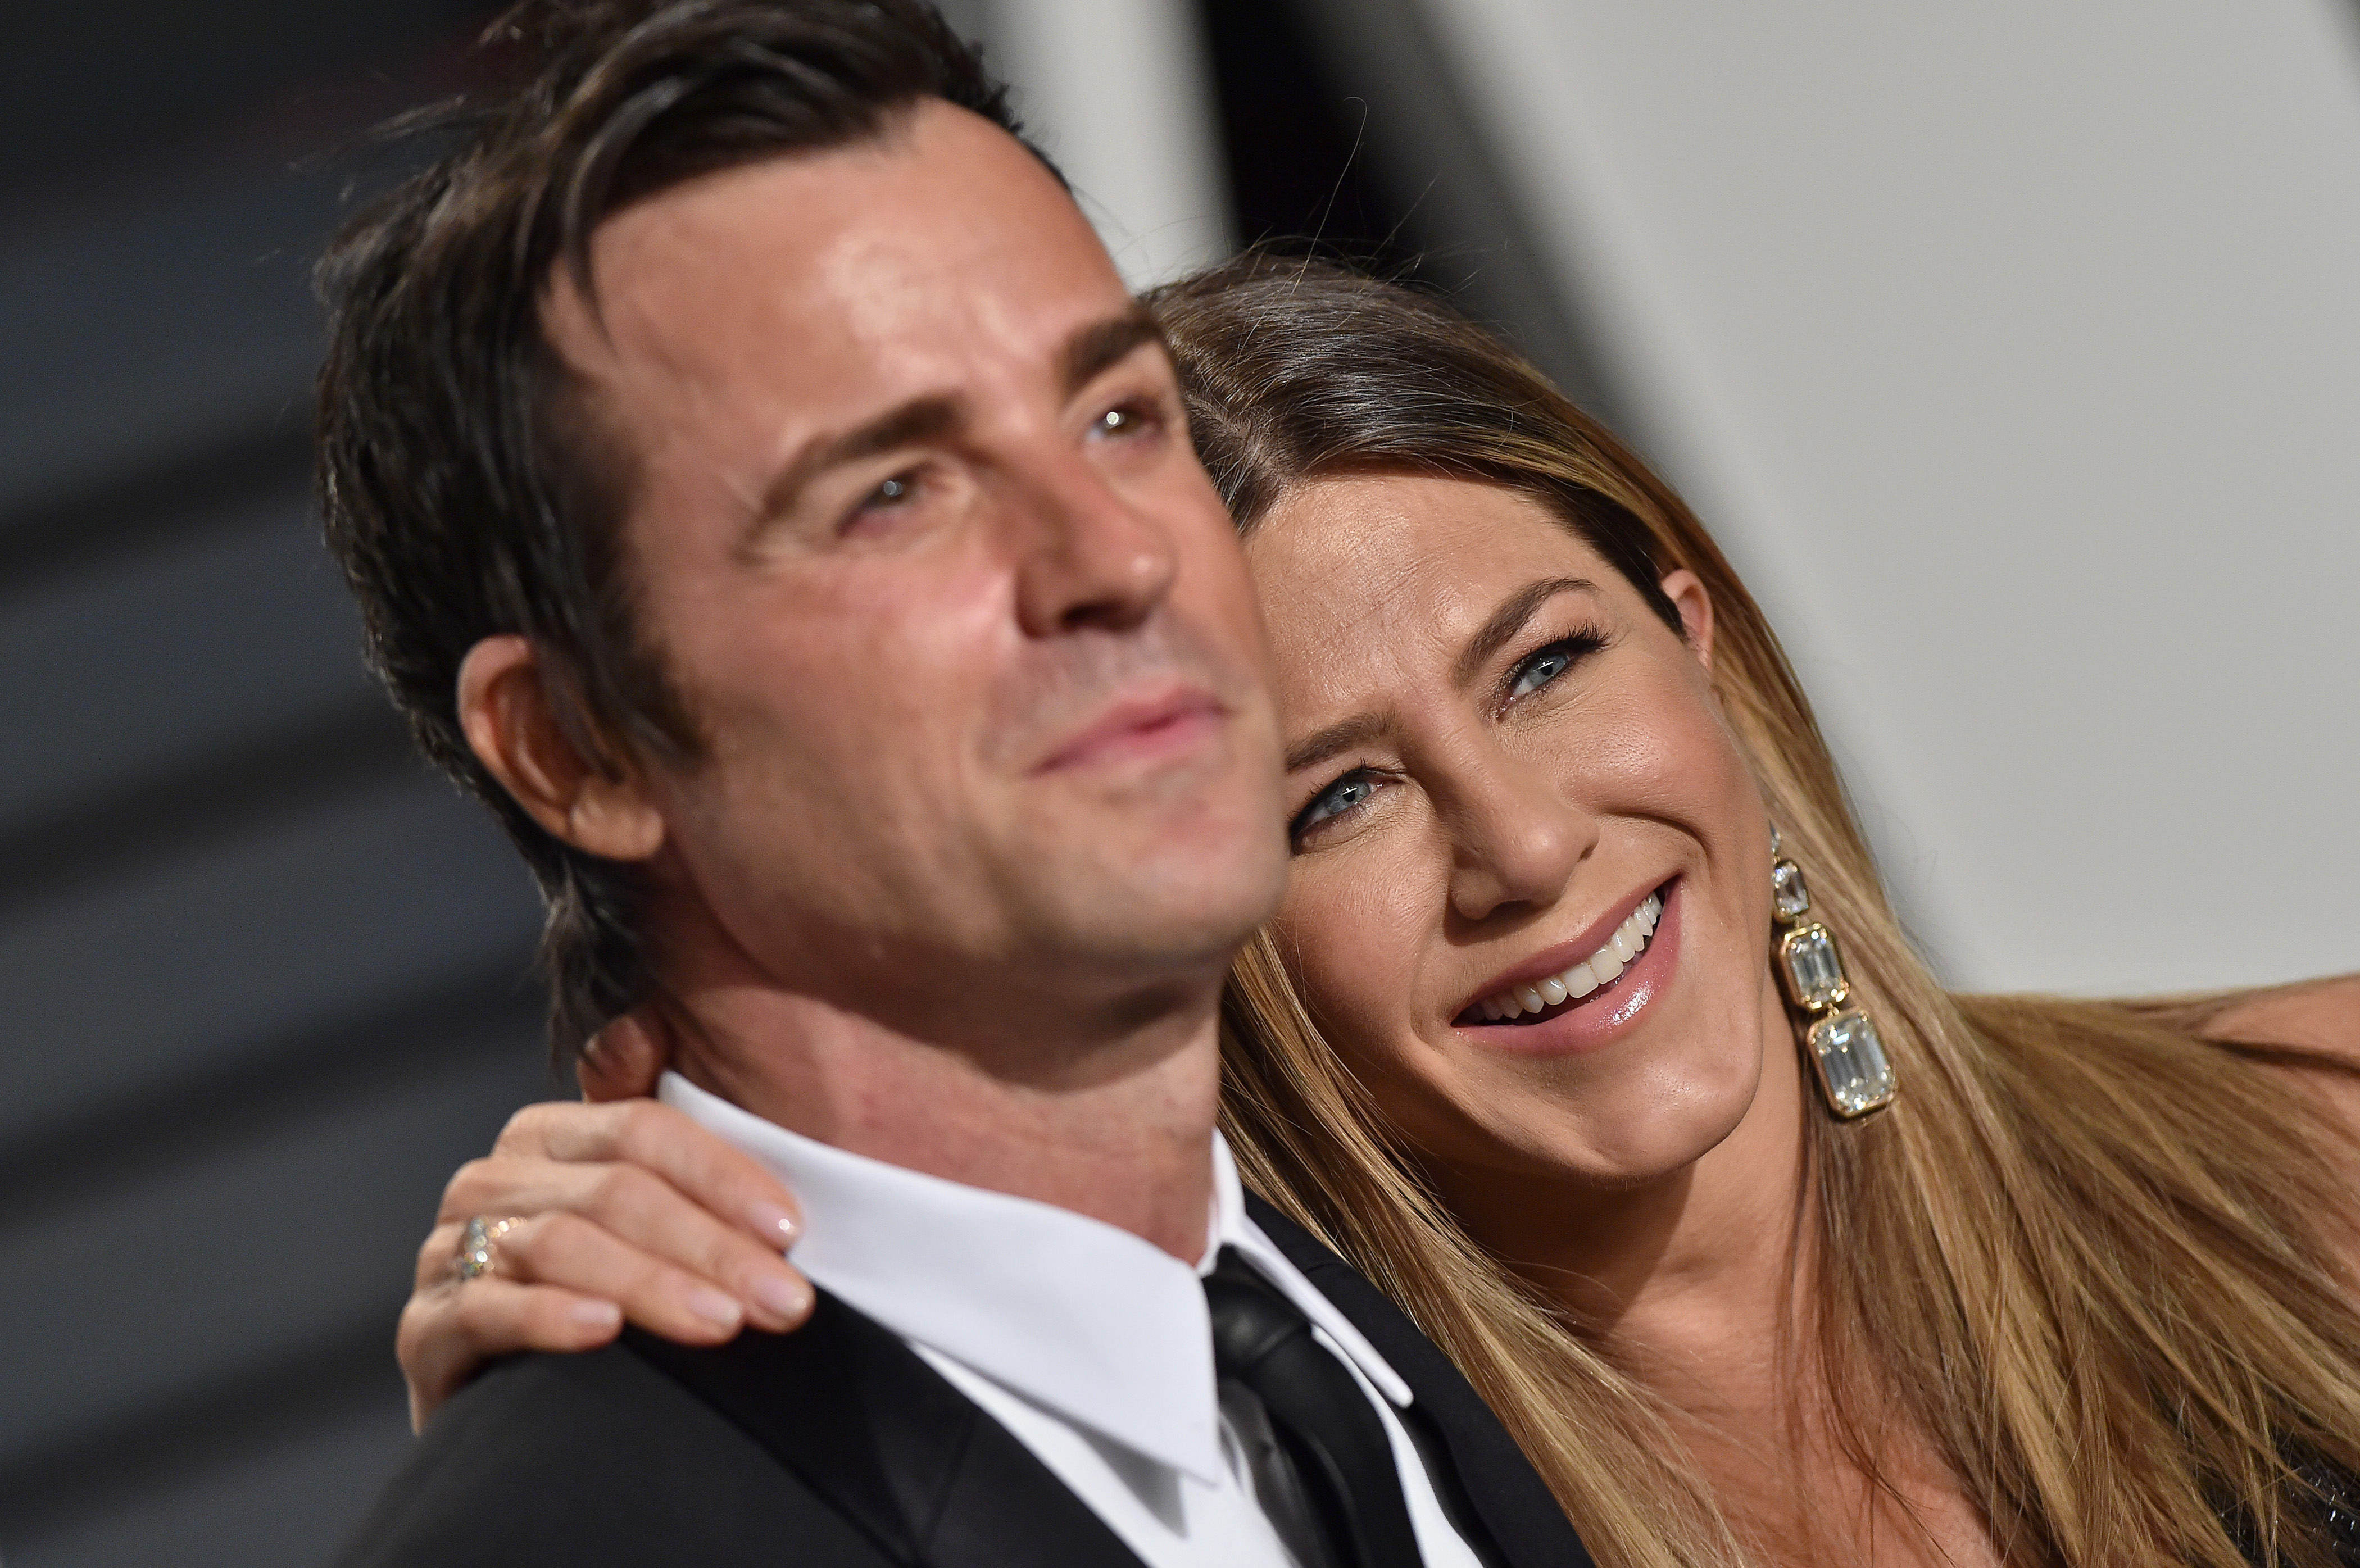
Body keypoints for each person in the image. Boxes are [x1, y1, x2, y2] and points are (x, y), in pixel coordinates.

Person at [396, 248, 2360, 1568]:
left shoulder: (2318, 1126)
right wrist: (614, 1401)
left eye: (1545, 667)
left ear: (1701, 648)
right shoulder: (1306, 1509)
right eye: (1335, 796)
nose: (1517, 845)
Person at [312, 3, 1594, 1566]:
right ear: (582, 745)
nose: (1114, 556)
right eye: (896, 493)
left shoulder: (1394, 1326)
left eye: (1120, 416)